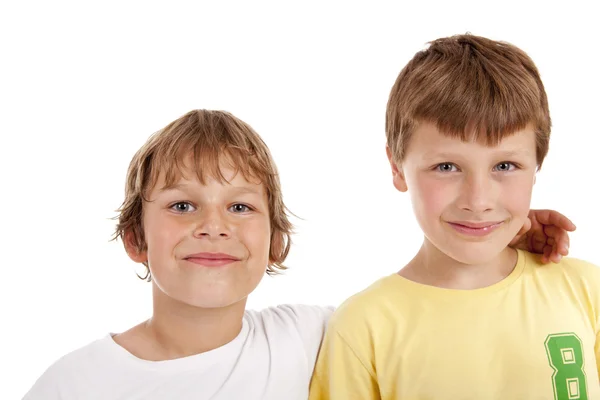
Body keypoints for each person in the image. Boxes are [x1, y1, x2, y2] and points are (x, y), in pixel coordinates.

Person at [24, 109, 575, 399]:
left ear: (276, 242)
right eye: (183, 206)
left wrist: (498, 237)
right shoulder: (75, 384)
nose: (213, 227)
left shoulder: (314, 337)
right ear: (135, 240)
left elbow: (426, 312)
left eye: (240, 208)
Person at [309, 34, 599, 399]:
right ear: (397, 168)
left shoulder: (586, 291)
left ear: (538, 164)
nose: (478, 200)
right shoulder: (364, 327)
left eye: (505, 165)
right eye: (446, 166)